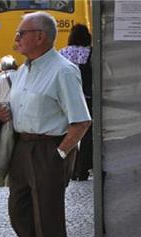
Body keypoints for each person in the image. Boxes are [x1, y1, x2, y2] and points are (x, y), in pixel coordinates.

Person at [0, 12, 91, 237]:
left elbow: (81, 121)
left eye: (21, 33)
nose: (16, 38)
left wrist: (60, 154)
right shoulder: (24, 70)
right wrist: (5, 113)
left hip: (49, 147)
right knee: (19, 214)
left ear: (40, 36)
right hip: (22, 148)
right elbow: (23, 107)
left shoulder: (63, 70)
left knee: (48, 218)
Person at [59, 24, 92, 181]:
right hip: (86, 98)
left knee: (68, 134)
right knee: (85, 135)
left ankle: (69, 169)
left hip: (65, 99)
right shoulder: (90, 52)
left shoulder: (62, 53)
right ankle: (82, 169)